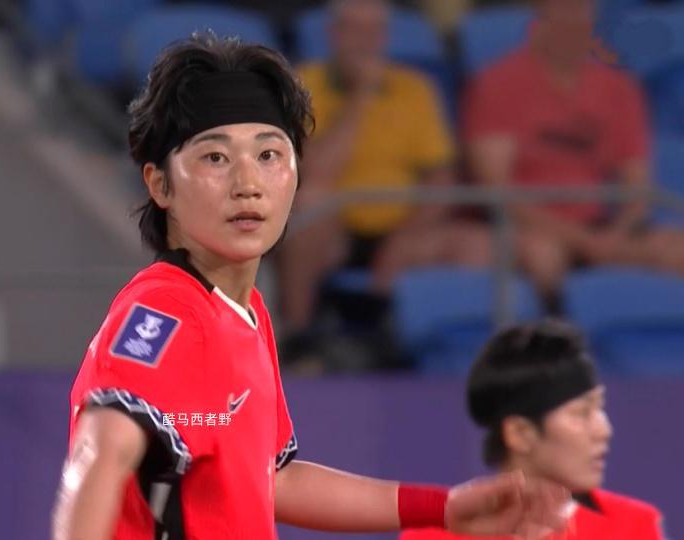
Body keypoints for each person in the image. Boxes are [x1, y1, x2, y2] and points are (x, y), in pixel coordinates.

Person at [52, 32, 569, 539]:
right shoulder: (166, 310)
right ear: (160, 184)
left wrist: (443, 508)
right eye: (215, 158)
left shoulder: (244, 311)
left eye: (268, 155)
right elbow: (100, 450)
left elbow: (272, 480)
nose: (247, 184)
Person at [278, 0, 488, 363]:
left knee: (477, 245)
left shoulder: (415, 88)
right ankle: (297, 343)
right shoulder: (302, 84)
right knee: (310, 204)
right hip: (335, 227)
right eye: (354, 30)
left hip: (402, 226)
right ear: (333, 34)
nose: (364, 41)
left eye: (373, 31)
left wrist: (408, 236)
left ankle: (447, 351)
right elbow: (313, 172)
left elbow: (441, 177)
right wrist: (361, 97)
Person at [463, 0, 684, 307]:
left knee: (676, 249)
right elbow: (497, 190)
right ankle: (556, 329)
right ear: (539, 20)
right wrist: (584, 241)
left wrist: (616, 235)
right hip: (529, 226)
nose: (575, 24)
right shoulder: (498, 83)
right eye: (565, 13)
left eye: (582, 13)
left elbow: (637, 185)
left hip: (600, 226)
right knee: (543, 254)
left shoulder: (619, 88)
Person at [401, 320, 665, 540]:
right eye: (582, 413)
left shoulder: (633, 527)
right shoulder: (435, 533)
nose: (604, 430)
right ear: (520, 434)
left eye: (600, 407)